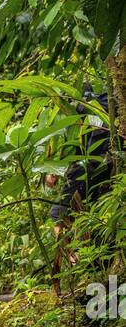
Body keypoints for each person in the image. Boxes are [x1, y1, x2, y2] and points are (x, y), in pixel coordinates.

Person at [47, 87, 117, 285]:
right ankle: (89, 262)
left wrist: (55, 170)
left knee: (58, 213)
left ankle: (72, 257)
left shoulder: (82, 110)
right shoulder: (109, 103)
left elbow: (72, 139)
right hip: (105, 164)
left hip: (90, 165)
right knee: (89, 211)